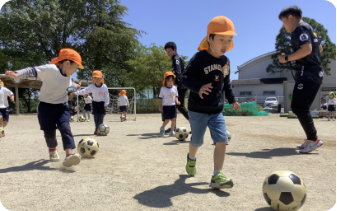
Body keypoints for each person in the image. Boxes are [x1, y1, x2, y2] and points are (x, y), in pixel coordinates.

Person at [182, 16, 241, 189]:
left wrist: (232, 100)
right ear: (210, 38)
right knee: (197, 141)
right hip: (198, 109)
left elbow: (226, 84)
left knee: (222, 139)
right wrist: (198, 87)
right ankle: (191, 158)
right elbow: (184, 78)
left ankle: (217, 175)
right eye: (221, 39)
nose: (226, 44)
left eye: (229, 40)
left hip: (216, 110)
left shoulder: (226, 61)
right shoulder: (200, 58)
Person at [5, 48, 83, 167]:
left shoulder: (67, 77)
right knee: (49, 133)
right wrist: (17, 73)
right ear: (67, 63)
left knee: (65, 128)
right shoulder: (50, 69)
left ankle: (69, 155)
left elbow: (70, 83)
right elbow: (32, 70)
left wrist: (76, 86)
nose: (75, 70)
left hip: (62, 107)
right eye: (76, 67)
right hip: (45, 107)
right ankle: (52, 149)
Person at [278, 6, 324, 153]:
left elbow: (307, 49)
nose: (283, 26)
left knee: (299, 107)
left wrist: (286, 58)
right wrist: (298, 54)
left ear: (291, 18)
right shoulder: (309, 28)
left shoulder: (300, 28)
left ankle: (313, 139)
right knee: (300, 106)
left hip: (308, 73)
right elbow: (319, 48)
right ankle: (311, 138)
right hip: (314, 72)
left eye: (283, 22)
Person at [71, 70, 109, 135]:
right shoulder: (92, 86)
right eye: (95, 78)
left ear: (101, 78)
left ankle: (100, 129)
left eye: (98, 78)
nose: (96, 80)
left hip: (102, 104)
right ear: (93, 79)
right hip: (95, 103)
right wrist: (76, 93)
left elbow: (106, 96)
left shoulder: (104, 86)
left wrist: (106, 104)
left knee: (101, 117)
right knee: (96, 117)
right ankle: (96, 128)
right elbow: (84, 91)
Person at [164, 42, 189, 134]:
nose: (168, 53)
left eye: (169, 50)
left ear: (174, 50)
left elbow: (178, 73)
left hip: (180, 86)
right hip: (180, 85)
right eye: (166, 51)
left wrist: (175, 84)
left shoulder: (176, 59)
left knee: (180, 106)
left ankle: (195, 125)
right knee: (174, 106)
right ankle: (173, 127)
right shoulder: (175, 59)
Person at [159, 72, 180, 137]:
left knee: (174, 119)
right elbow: (160, 98)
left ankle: (172, 131)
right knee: (167, 120)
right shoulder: (163, 88)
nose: (171, 81)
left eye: (172, 80)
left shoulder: (174, 88)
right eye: (169, 80)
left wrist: (177, 101)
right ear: (165, 80)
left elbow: (176, 96)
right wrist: (160, 106)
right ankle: (162, 128)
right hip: (166, 107)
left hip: (173, 106)